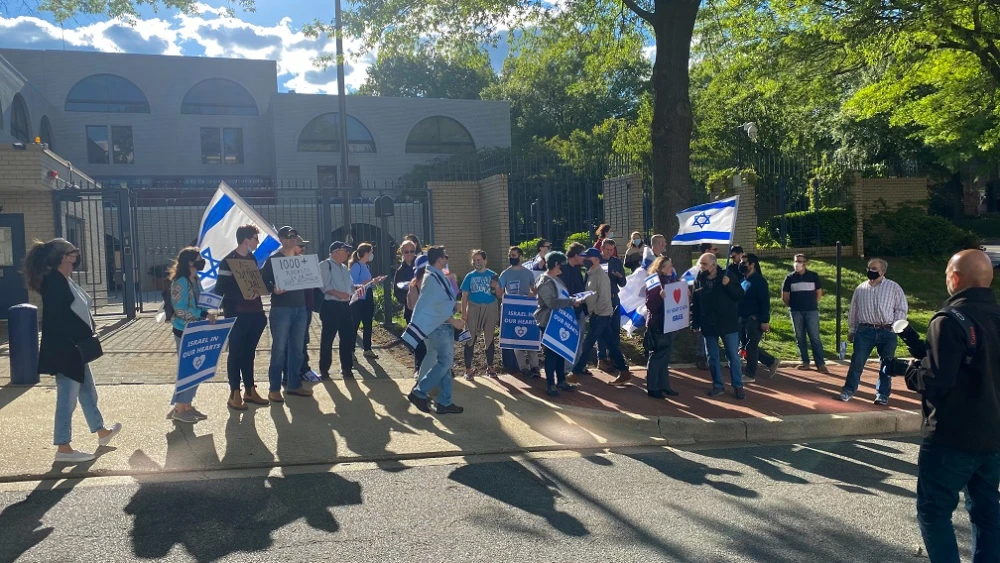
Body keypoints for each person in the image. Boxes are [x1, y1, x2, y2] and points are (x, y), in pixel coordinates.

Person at [917, 249, 1000, 563]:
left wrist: (912, 373)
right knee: (987, 511)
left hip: (951, 438)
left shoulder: (949, 320)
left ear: (955, 278)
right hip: (993, 436)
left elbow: (936, 380)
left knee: (934, 511)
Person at [27, 238, 122, 462]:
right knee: (66, 399)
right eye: (74, 252)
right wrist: (81, 334)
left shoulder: (63, 279)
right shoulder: (54, 283)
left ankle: (101, 432)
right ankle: (63, 448)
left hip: (74, 347)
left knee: (88, 389)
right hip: (65, 349)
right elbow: (57, 320)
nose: (77, 256)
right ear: (63, 257)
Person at [406, 246, 467, 415]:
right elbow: (435, 307)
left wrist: (456, 306)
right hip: (439, 327)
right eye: (445, 256)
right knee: (445, 363)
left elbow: (440, 302)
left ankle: (445, 402)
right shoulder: (433, 278)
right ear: (439, 259)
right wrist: (453, 321)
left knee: (444, 364)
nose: (447, 259)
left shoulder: (435, 276)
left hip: (438, 327)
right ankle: (419, 392)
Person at [214, 224, 269, 410]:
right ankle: (234, 392)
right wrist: (241, 295)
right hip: (236, 314)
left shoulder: (252, 259)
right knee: (236, 353)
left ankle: (250, 390)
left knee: (249, 353)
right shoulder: (227, 261)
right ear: (246, 240)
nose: (257, 242)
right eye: (255, 238)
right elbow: (220, 288)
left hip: (255, 313)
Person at [839, 258, 908, 405]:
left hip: (886, 331)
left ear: (882, 271)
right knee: (857, 362)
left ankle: (882, 394)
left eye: (874, 269)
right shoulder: (861, 288)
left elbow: (901, 308)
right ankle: (848, 391)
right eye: (868, 268)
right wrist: (852, 330)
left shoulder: (894, 287)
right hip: (865, 330)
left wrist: (895, 327)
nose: (870, 271)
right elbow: (854, 311)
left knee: (886, 365)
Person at [261, 225, 312, 402]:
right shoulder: (273, 260)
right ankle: (274, 388)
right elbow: (262, 281)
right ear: (281, 239)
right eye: (288, 236)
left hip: (300, 308)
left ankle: (293, 384)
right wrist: (273, 289)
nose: (292, 238)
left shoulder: (301, 259)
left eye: (294, 235)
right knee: (279, 350)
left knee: (298, 350)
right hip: (281, 310)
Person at [167, 247, 216, 423]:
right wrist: (202, 314)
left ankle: (186, 405)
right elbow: (180, 309)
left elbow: (200, 301)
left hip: (196, 328)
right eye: (199, 258)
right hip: (184, 330)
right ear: (190, 262)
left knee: (195, 369)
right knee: (188, 369)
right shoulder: (181, 281)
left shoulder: (194, 279)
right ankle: (180, 409)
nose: (202, 261)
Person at [692, 252, 747, 399]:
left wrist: (728, 284)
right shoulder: (699, 278)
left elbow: (740, 294)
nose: (701, 266)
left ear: (713, 265)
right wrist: (695, 322)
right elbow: (695, 302)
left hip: (727, 323)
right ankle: (718, 385)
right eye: (701, 264)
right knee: (712, 357)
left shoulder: (727, 275)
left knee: (732, 356)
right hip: (708, 324)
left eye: (704, 264)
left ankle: (738, 385)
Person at [572, 247, 630, 385]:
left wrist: (597, 312)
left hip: (601, 315)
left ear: (596, 259)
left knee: (587, 344)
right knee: (611, 344)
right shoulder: (591, 273)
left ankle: (574, 373)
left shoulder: (601, 276)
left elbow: (604, 297)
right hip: (597, 314)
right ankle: (624, 372)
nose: (585, 259)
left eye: (588, 257)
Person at [534, 251, 582, 397]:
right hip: (548, 322)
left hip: (559, 320)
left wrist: (573, 299)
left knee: (560, 352)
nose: (562, 267)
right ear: (555, 264)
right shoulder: (545, 281)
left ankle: (561, 381)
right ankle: (550, 385)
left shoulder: (556, 279)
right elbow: (551, 303)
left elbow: (562, 297)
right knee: (552, 355)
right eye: (561, 264)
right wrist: (571, 301)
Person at [499, 246, 540, 378]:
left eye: (514, 255)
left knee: (531, 337)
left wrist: (532, 294)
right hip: (512, 311)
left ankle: (535, 367)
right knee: (517, 340)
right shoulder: (505, 274)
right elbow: (500, 293)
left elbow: (535, 290)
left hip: (528, 311)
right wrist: (497, 288)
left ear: (520, 257)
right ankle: (523, 368)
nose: (511, 257)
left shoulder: (528, 273)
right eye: (510, 255)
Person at [782, 254, 828, 373]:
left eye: (799, 261)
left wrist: (811, 304)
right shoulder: (789, 278)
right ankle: (805, 362)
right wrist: (793, 306)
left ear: (805, 263)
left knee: (814, 337)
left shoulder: (813, 276)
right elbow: (785, 296)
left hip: (811, 311)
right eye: (795, 261)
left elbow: (819, 293)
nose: (797, 264)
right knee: (800, 337)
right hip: (796, 312)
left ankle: (820, 363)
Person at [460, 250, 501, 380]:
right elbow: (464, 295)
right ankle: (468, 369)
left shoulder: (493, 275)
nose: (477, 262)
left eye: (479, 260)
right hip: (473, 307)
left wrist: (497, 286)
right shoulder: (469, 276)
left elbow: (499, 295)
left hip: (490, 307)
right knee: (470, 338)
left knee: (489, 337)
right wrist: (464, 313)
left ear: (485, 261)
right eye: (475, 260)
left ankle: (490, 367)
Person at [738, 253, 779, 382]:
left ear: (752, 264)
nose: (741, 265)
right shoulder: (743, 280)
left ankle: (750, 374)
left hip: (754, 320)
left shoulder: (760, 281)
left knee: (751, 347)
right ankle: (771, 361)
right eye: (741, 262)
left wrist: (765, 320)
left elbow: (765, 302)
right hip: (742, 318)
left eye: (744, 263)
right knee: (747, 347)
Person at [319, 241, 357, 380]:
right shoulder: (325, 265)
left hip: (345, 306)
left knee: (347, 338)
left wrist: (359, 288)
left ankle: (347, 368)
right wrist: (338, 293)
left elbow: (350, 286)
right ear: (335, 251)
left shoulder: (344, 268)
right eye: (344, 250)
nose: (347, 253)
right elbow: (324, 286)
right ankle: (324, 369)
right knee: (327, 339)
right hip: (331, 306)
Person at [644, 256, 680, 399]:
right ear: (660, 268)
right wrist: (660, 297)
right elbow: (650, 305)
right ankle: (653, 388)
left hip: (669, 324)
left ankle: (664, 385)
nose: (671, 269)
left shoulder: (669, 281)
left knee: (665, 357)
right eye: (668, 266)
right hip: (658, 324)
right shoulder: (654, 282)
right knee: (657, 356)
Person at [596, 239, 627, 370]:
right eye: (607, 249)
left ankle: (614, 357)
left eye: (611, 250)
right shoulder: (595, 261)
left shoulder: (616, 262)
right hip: (601, 300)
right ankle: (601, 358)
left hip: (614, 299)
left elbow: (623, 283)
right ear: (602, 248)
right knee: (602, 329)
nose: (609, 252)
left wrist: (620, 276)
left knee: (615, 329)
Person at [349, 242, 383, 359]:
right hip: (358, 299)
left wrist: (374, 281)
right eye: (371, 252)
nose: (372, 255)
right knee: (355, 324)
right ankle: (351, 350)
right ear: (366, 253)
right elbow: (353, 284)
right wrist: (369, 282)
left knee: (368, 324)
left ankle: (367, 349)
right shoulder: (356, 266)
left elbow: (367, 282)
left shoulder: (366, 266)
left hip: (367, 296)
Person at [406, 256, 429, 377]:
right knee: (429, 347)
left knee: (421, 346)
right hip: (430, 320)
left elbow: (411, 306)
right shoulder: (432, 282)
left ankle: (419, 369)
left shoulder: (414, 283)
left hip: (419, 320)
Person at [395, 240, 418, 324]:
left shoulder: (421, 267)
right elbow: (397, 291)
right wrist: (408, 300)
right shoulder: (400, 271)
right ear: (402, 253)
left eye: (412, 251)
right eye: (406, 252)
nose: (409, 254)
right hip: (410, 309)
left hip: (425, 307)